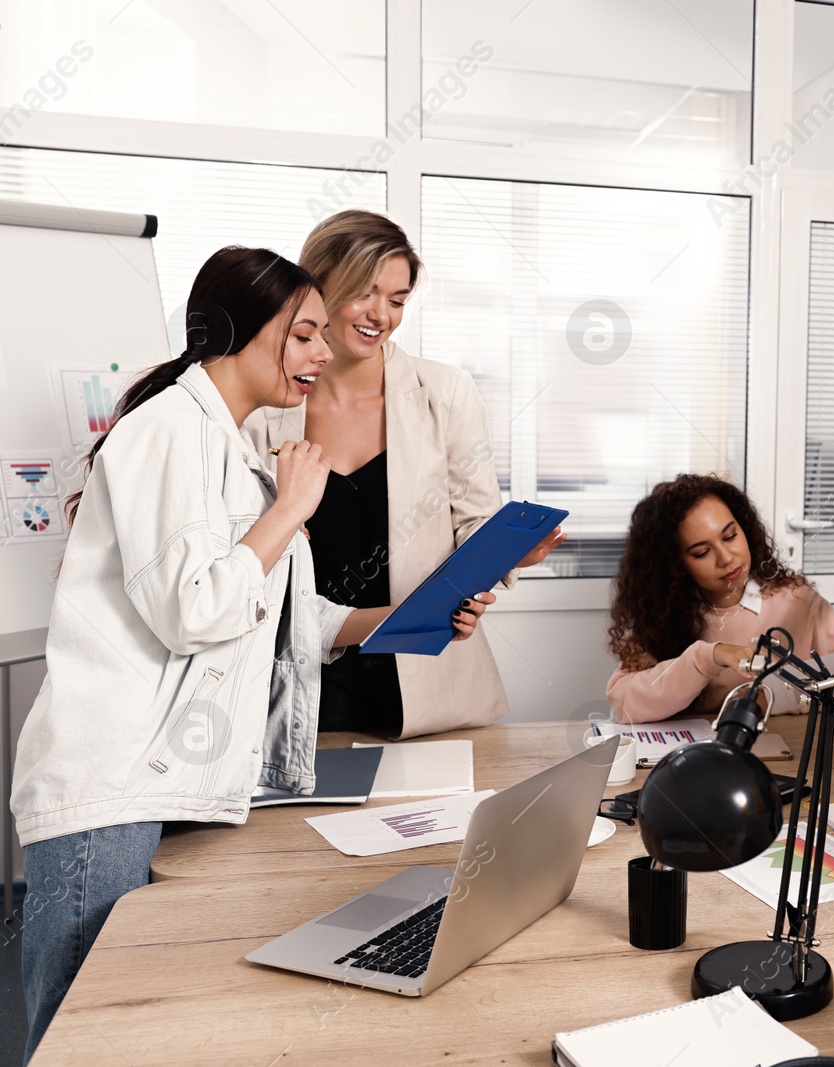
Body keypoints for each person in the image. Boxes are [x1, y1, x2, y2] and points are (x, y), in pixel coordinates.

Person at [9, 247, 490, 1061]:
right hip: (108, 784)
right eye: (303, 335)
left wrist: (414, 614)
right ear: (238, 331)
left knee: (127, 1026)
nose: (323, 353)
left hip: (165, 782)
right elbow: (193, 608)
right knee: (76, 1037)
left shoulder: (223, 446)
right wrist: (295, 505)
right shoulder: (167, 431)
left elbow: (286, 616)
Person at [244, 210, 561, 738]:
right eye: (365, 293)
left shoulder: (445, 391)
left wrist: (506, 553)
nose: (381, 316)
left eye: (398, 300)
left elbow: (475, 523)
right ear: (317, 286)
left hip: (424, 684)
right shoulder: (266, 402)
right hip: (295, 683)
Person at [606, 474, 834, 722]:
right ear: (675, 564)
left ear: (744, 528)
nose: (726, 558)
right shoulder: (663, 614)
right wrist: (708, 656)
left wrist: (777, 699)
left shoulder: (797, 600)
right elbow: (624, 705)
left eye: (730, 536)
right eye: (702, 552)